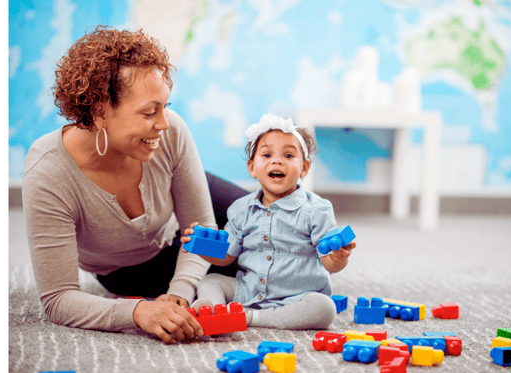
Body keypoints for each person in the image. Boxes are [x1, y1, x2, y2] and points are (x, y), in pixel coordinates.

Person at [22, 25, 247, 344]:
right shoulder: (48, 171)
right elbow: (59, 298)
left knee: (277, 229)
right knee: (254, 272)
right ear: (99, 111)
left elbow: (200, 227)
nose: (165, 124)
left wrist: (181, 289)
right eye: (148, 112)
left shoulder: (170, 132)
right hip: (132, 267)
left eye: (165, 106)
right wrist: (140, 311)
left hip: (183, 223)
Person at [181, 114, 356, 330]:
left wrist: (338, 257)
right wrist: (201, 247)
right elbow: (227, 256)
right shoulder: (240, 209)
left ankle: (247, 318)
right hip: (248, 289)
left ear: (304, 168)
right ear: (252, 167)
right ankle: (215, 314)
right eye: (267, 154)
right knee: (210, 281)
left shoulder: (316, 210)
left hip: (297, 297)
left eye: (289, 155)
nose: (277, 160)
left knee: (324, 308)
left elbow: (330, 264)